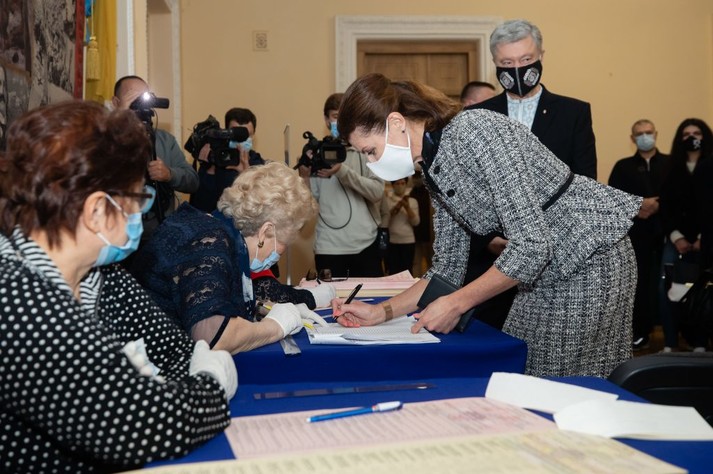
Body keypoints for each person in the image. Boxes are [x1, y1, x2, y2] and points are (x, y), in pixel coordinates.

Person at [333, 73, 642, 378]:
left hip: (589, 254)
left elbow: (531, 247)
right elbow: (447, 269)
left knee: (560, 380)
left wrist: (456, 304)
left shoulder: (474, 131)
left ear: (396, 122)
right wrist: (381, 312)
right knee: (522, 366)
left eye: (370, 151)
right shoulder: (432, 167)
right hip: (542, 267)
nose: (372, 163)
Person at [0, 101, 237, 472]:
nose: (141, 212)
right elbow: (148, 427)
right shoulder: (19, 303)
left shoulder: (101, 275)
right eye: (138, 197)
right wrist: (211, 383)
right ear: (97, 211)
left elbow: (178, 352)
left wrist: (160, 391)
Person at [463, 19, 599, 330]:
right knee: (493, 339)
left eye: (525, 59)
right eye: (507, 63)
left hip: (556, 260)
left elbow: (584, 184)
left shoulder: (574, 112)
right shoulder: (475, 116)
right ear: (495, 63)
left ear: (541, 56)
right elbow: (468, 191)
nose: (517, 70)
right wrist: (489, 239)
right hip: (493, 260)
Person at [131, 162, 333, 354]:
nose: (281, 252)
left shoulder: (219, 233)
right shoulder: (210, 241)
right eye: (284, 244)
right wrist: (276, 326)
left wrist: (268, 309)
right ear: (265, 232)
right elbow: (214, 337)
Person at [298, 93, 384, 278]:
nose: (341, 121)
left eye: (345, 116)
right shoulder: (317, 154)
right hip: (329, 247)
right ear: (327, 120)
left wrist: (342, 171)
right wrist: (304, 177)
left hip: (366, 244)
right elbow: (308, 206)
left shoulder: (366, 150)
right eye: (336, 116)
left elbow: (377, 192)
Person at [112, 75, 199, 239]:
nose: (139, 104)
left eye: (143, 98)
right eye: (133, 98)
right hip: (118, 233)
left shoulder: (164, 140)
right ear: (116, 103)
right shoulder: (103, 138)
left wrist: (169, 174)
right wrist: (122, 120)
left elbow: (193, 181)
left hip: (160, 232)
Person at [608, 119, 668, 351]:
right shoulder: (623, 166)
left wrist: (658, 204)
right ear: (632, 138)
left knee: (667, 283)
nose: (645, 136)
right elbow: (614, 197)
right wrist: (638, 206)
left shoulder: (671, 163)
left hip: (667, 234)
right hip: (636, 236)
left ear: (656, 134)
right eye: (639, 133)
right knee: (638, 284)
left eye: (648, 132)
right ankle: (640, 332)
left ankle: (673, 334)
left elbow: (680, 194)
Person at [658, 118, 713, 352]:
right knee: (667, 289)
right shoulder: (670, 168)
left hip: (707, 240)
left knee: (704, 289)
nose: (692, 138)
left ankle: (700, 342)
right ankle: (670, 343)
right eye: (686, 134)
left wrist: (704, 236)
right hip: (675, 240)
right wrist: (676, 236)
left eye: (696, 133)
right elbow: (666, 206)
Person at [190, 107, 266, 213]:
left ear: (253, 136)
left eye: (246, 135)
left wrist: (247, 175)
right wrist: (210, 170)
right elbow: (200, 208)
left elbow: (261, 210)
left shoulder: (260, 166)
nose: (241, 141)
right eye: (237, 135)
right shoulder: (216, 160)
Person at [380, 177, 420, 274]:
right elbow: (383, 222)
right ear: (393, 185)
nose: (400, 186)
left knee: (407, 271)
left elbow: (416, 222)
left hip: (408, 241)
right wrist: (395, 208)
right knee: (393, 271)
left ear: (406, 184)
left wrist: (407, 207)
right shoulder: (387, 201)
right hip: (392, 241)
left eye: (403, 183)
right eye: (397, 184)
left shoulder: (413, 201)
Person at [410, 168, 434, 277]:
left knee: (430, 260)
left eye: (418, 177)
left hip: (428, 231)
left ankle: (430, 281)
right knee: (416, 261)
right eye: (414, 177)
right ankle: (417, 280)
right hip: (416, 232)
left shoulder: (428, 192)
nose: (416, 179)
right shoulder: (412, 192)